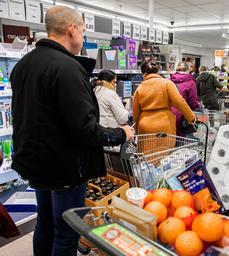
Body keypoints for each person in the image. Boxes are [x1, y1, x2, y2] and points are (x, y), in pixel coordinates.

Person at [10, 6, 134, 256]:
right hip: (65, 167)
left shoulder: (24, 64)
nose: (83, 37)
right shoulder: (68, 68)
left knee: (44, 222)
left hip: (36, 162)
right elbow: (85, 130)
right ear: (72, 30)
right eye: (83, 30)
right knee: (66, 232)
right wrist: (122, 133)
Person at [133, 61, 196, 151]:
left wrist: (137, 129)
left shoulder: (140, 88)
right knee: (164, 157)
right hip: (164, 123)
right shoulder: (167, 83)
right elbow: (179, 102)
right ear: (157, 72)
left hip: (145, 126)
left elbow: (136, 112)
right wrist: (191, 117)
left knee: (146, 157)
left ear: (144, 74)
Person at [171, 62, 200, 136]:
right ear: (188, 70)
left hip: (167, 112)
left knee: (169, 138)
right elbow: (193, 102)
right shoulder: (191, 82)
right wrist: (198, 106)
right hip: (182, 113)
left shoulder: (169, 80)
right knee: (180, 139)